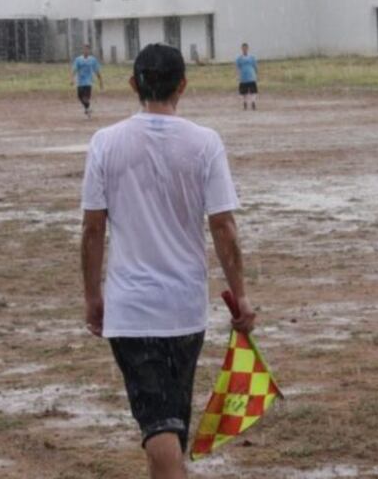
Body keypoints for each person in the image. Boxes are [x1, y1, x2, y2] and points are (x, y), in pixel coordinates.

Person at [80, 43, 256, 479]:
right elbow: (224, 228)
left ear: (133, 84)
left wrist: (93, 296)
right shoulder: (205, 143)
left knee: (162, 429)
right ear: (183, 85)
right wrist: (241, 295)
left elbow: (92, 229)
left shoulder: (106, 143)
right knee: (165, 427)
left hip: (132, 310)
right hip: (184, 309)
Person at [71, 44, 103, 118]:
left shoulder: (93, 60)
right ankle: (88, 108)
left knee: (86, 98)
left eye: (87, 49)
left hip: (88, 82)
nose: (85, 51)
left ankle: (87, 108)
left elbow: (97, 71)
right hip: (80, 82)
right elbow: (74, 70)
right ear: (82, 50)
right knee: (80, 97)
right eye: (84, 49)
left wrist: (100, 81)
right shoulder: (78, 59)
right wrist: (72, 79)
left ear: (89, 50)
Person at [235, 43, 259, 111]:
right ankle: (245, 103)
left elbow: (255, 66)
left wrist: (256, 74)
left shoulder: (252, 57)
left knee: (253, 91)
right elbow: (237, 68)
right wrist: (238, 76)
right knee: (244, 92)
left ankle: (253, 102)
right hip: (243, 78)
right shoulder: (239, 58)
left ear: (247, 48)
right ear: (241, 49)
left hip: (251, 77)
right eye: (243, 48)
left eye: (245, 48)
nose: (244, 49)